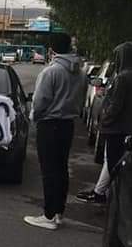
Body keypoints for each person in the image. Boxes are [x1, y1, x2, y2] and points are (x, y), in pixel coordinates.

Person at [23, 33, 87, 231]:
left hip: (49, 124)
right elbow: (82, 99)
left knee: (49, 171)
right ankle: (59, 212)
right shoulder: (80, 72)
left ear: (52, 49)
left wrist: (35, 116)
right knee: (61, 169)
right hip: (68, 125)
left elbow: (41, 100)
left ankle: (48, 215)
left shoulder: (51, 72)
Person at [76, 42, 132, 204]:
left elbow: (115, 104)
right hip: (127, 125)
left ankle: (107, 194)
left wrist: (104, 118)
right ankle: (100, 191)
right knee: (111, 160)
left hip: (115, 127)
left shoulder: (123, 77)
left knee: (112, 160)